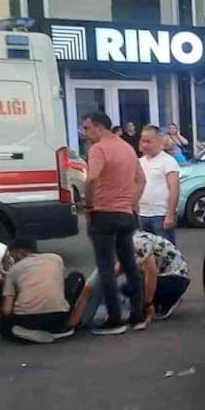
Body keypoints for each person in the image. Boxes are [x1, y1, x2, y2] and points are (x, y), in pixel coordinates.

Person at [81, 111, 146, 335]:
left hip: (103, 213)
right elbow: (141, 180)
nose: (84, 133)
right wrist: (131, 202)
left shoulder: (98, 149)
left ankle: (115, 319)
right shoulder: (127, 148)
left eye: (87, 128)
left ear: (100, 127)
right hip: (125, 214)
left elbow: (91, 178)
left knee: (106, 267)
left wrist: (88, 205)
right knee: (130, 265)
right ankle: (138, 315)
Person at [77, 230, 189, 328]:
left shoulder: (136, 242)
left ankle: (158, 302)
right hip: (171, 276)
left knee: (132, 289)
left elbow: (152, 273)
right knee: (124, 287)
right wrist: (98, 285)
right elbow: (119, 268)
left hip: (175, 279)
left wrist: (147, 304)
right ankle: (161, 301)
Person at [0, 238, 83, 344]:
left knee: (4, 326)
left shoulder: (14, 270)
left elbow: (7, 309)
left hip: (28, 320)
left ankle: (18, 331)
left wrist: (1, 314)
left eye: (13, 256)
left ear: (19, 252)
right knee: (76, 277)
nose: (13, 260)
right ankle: (56, 329)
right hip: (59, 316)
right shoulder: (55, 258)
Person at [137, 124, 181, 243]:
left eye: (149, 142)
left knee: (165, 253)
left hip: (161, 216)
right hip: (142, 215)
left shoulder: (168, 161)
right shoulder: (139, 162)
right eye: (143, 141)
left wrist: (170, 214)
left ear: (159, 141)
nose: (145, 145)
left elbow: (174, 189)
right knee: (145, 254)